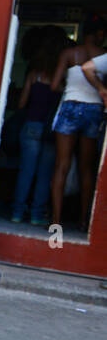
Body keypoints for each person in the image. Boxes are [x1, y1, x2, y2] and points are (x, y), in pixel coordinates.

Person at [48, 16, 106, 231]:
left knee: (62, 165)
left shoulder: (69, 54)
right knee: (86, 168)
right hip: (94, 109)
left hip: (71, 106)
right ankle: (84, 221)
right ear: (100, 34)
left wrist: (70, 87)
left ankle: (55, 220)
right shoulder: (104, 56)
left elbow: (54, 85)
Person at [10, 26, 65, 224]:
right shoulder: (63, 79)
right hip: (52, 130)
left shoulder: (35, 74)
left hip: (31, 125)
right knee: (44, 175)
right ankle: (36, 215)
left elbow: (22, 103)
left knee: (26, 171)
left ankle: (17, 212)